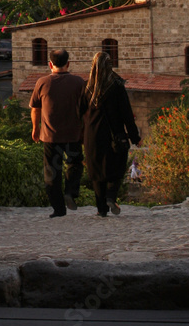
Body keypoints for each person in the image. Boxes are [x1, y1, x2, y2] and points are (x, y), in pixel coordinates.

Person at [80, 51, 140, 217]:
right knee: (117, 167)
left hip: (92, 135)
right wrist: (135, 137)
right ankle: (110, 197)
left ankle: (101, 208)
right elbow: (127, 114)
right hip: (114, 135)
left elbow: (79, 113)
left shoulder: (87, 88)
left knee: (97, 172)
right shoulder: (117, 86)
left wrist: (79, 136)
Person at [29, 48, 85, 218]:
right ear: (68, 64)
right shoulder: (79, 82)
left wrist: (35, 128)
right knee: (75, 164)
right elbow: (85, 109)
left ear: (50, 64)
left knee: (51, 173)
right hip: (74, 134)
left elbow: (35, 109)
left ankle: (58, 209)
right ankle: (70, 191)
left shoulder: (42, 83)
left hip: (50, 136)